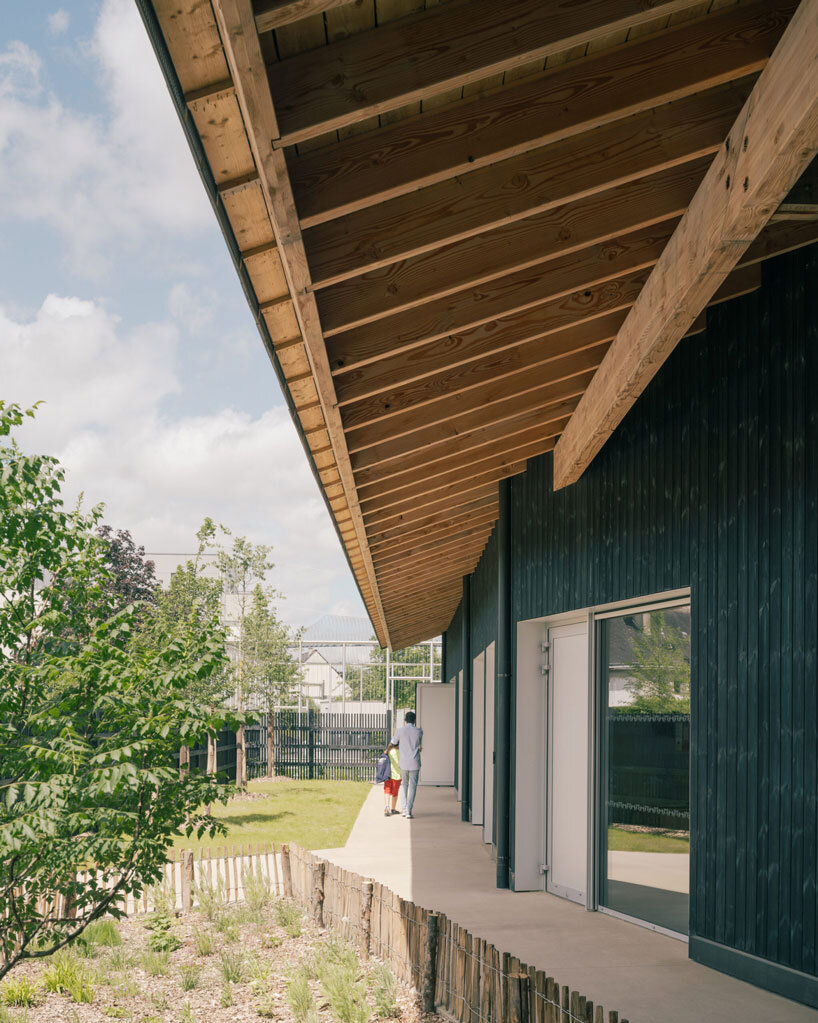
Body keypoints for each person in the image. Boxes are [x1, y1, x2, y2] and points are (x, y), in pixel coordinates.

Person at [386, 710, 423, 819]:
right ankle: (409, 811)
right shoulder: (419, 731)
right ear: (415, 720)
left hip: (403, 763)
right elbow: (418, 746)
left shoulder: (400, 731)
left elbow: (393, 743)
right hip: (415, 763)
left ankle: (403, 809)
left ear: (405, 720)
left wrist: (387, 750)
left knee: (404, 785)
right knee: (413, 787)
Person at [383, 745, 401, 817]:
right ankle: (393, 809)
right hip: (397, 776)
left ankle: (387, 806)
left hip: (388, 774)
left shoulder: (388, 752)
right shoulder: (401, 752)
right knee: (395, 793)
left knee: (387, 790)